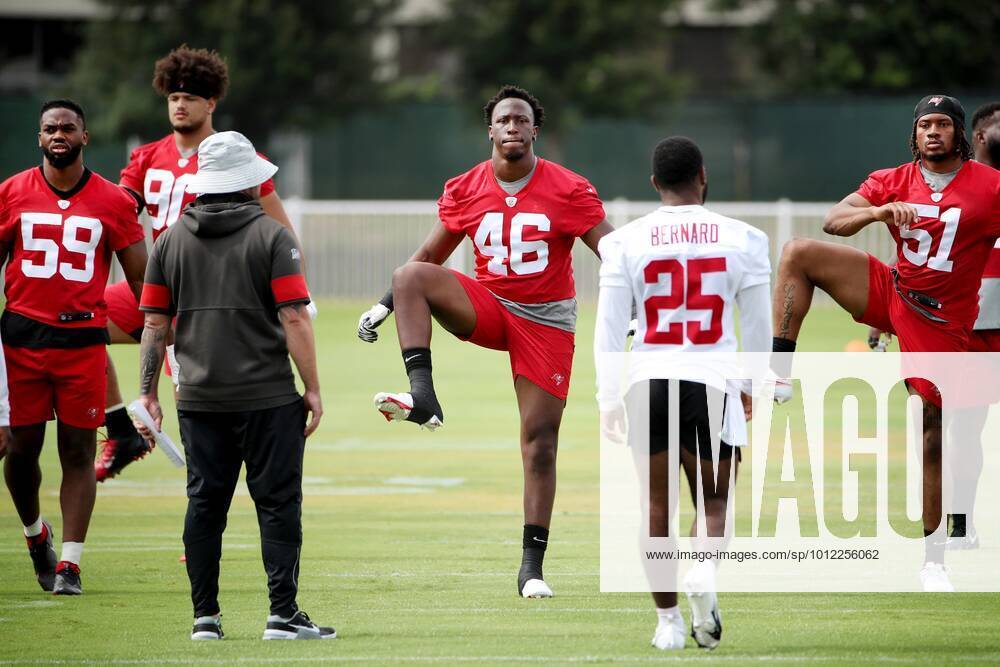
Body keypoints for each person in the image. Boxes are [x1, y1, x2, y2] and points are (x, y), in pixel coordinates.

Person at [356, 85, 613, 598]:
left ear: (534, 130)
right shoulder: (467, 186)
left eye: (522, 119)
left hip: (546, 321)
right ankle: (423, 396)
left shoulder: (568, 187)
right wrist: (384, 305)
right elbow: (430, 254)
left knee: (540, 443)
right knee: (409, 275)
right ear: (491, 131)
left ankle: (531, 567)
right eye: (504, 120)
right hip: (489, 309)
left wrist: (638, 307)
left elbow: (613, 250)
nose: (513, 127)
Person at [770, 94, 1000, 592]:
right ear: (914, 135)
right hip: (895, 291)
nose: (932, 132)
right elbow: (834, 220)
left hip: (941, 322)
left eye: (942, 124)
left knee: (933, 432)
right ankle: (778, 371)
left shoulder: (990, 185)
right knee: (798, 252)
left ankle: (933, 558)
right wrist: (878, 214)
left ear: (960, 134)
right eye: (924, 125)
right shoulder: (892, 179)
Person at [134, 131, 330, 641]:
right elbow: (294, 318)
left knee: (204, 504)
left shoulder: (170, 240)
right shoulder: (273, 237)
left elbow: (155, 325)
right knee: (278, 504)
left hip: (198, 399)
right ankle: (282, 616)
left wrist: (149, 392)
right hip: (268, 396)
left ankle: (205, 619)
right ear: (248, 184)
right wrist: (312, 388)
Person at [96, 44, 303, 482]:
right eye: (173, 97)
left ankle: (201, 535)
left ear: (211, 103)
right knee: (76, 326)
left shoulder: (237, 160)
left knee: (199, 421)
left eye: (189, 97)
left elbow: (282, 233)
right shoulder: (147, 157)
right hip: (157, 288)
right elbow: (119, 212)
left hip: (208, 299)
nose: (179, 105)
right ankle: (120, 428)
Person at [594, 137, 770, 650]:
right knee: (714, 502)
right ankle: (703, 570)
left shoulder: (624, 241)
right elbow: (757, 325)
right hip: (712, 380)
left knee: (655, 507)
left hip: (648, 379)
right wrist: (755, 383)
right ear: (703, 175)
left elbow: (609, 329)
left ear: (654, 184)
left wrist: (608, 396)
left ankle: (668, 624)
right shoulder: (745, 238)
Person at [1, 99, 147, 595]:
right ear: (39, 138)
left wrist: (166, 326)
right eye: (49, 128)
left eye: (67, 127)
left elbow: (143, 279)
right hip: (20, 341)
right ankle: (35, 533)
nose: (58, 134)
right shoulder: (12, 192)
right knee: (20, 452)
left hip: (83, 342)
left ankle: (69, 563)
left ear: (85, 136)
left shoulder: (111, 200)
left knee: (78, 451)